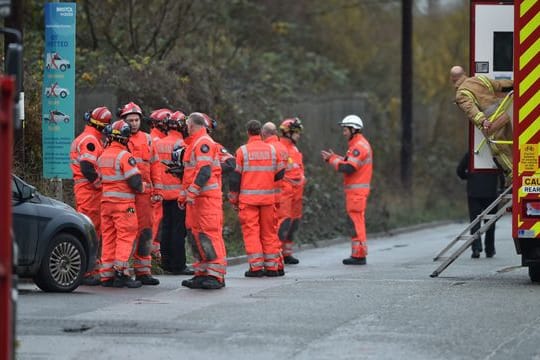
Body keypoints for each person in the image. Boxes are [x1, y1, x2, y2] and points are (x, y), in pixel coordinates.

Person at [229, 120, 286, 277]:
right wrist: (266, 178)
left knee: (251, 233)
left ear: (248, 132)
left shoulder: (242, 151)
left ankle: (256, 268)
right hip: (268, 199)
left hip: (248, 201)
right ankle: (272, 267)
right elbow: (281, 172)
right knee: (269, 233)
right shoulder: (272, 150)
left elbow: (235, 179)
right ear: (260, 132)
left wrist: (234, 199)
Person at [178, 112, 227, 290]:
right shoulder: (194, 144)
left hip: (206, 200)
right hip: (196, 200)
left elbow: (204, 172)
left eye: (187, 125)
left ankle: (215, 275)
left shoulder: (204, 143)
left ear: (191, 125)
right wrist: (184, 196)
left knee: (209, 235)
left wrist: (190, 193)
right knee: (195, 236)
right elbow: (189, 175)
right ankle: (202, 272)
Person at [321, 115, 373, 265]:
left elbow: (348, 168)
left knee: (356, 223)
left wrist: (332, 160)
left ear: (353, 129)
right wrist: (334, 157)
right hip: (356, 193)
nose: (343, 133)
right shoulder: (357, 145)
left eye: (345, 130)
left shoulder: (358, 147)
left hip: (356, 193)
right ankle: (358, 254)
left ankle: (359, 255)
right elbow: (348, 162)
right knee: (355, 222)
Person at [120, 101, 163, 285]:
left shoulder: (148, 139)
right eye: (130, 120)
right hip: (126, 193)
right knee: (127, 232)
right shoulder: (119, 138)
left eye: (136, 120)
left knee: (146, 231)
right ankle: (123, 270)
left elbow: (155, 165)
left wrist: (158, 189)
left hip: (145, 194)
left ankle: (143, 271)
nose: (134, 123)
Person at [98, 120, 144, 288]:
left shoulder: (103, 155)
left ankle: (107, 274)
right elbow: (135, 180)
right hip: (124, 204)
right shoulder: (125, 156)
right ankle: (121, 272)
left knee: (109, 237)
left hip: (106, 203)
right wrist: (143, 187)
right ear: (124, 138)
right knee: (126, 235)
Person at [70, 106, 112, 286]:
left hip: (86, 191)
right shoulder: (91, 141)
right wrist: (99, 185)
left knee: (91, 229)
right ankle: (89, 271)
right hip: (89, 192)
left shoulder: (88, 138)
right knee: (92, 230)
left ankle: (92, 268)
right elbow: (87, 167)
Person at [449, 65, 513, 181]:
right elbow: (500, 85)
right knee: (511, 147)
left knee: (500, 151)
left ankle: (514, 176)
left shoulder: (461, 93)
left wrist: (483, 121)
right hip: (503, 117)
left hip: (492, 124)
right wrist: (516, 83)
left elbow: (471, 110)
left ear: (452, 79)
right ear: (464, 73)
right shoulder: (479, 79)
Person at [154, 110, 194, 275]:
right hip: (178, 195)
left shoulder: (156, 143)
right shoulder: (184, 145)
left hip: (162, 194)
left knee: (166, 229)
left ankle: (166, 263)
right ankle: (178, 265)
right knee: (178, 231)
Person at [457, 152, 503, 258]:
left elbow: (459, 170)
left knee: (475, 222)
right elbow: (501, 171)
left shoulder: (471, 153)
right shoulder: (494, 153)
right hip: (491, 192)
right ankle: (490, 249)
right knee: (490, 222)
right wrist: (502, 187)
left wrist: (468, 177)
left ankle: (476, 249)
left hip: (474, 192)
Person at [277, 117, 306, 265]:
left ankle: (287, 253)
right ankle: (276, 253)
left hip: (297, 191)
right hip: (285, 190)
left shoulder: (294, 148)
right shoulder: (280, 147)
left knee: (294, 223)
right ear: (288, 133)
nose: (299, 135)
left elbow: (298, 167)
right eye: (296, 132)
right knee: (284, 221)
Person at [149, 108, 169, 259]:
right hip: (155, 188)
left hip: (156, 187)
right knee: (155, 220)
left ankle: (155, 251)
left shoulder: (154, 139)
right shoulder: (157, 141)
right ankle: (153, 252)